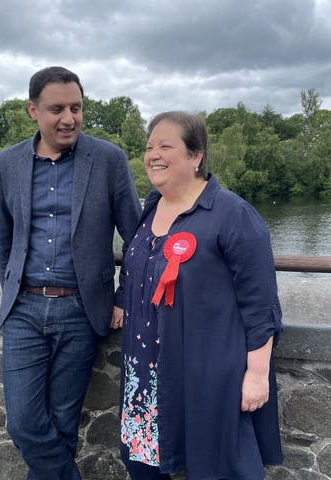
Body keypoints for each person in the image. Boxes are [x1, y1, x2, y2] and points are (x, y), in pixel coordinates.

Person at [0, 66, 141, 480]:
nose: (69, 118)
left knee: (62, 426)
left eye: (76, 107)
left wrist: (121, 298)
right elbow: (3, 240)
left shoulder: (109, 159)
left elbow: (138, 238)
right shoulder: (7, 163)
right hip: (23, 309)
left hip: (81, 311)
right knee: (22, 423)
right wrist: (10, 288)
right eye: (57, 108)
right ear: (32, 111)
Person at [120, 111, 283, 479]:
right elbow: (134, 274)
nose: (153, 155)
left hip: (207, 374)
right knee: (143, 470)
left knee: (215, 468)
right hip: (145, 373)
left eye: (166, 145)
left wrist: (256, 374)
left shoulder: (231, 213)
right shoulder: (150, 208)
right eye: (149, 147)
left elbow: (260, 304)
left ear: (196, 156)